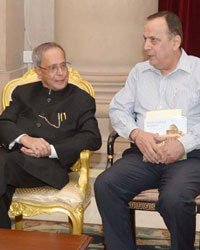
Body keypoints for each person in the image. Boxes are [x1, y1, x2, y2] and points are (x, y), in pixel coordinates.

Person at [94, 11, 200, 250]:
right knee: (105, 185)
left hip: (190, 157)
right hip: (144, 155)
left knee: (175, 199)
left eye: (154, 40)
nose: (146, 46)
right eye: (145, 39)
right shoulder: (139, 73)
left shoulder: (198, 72)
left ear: (175, 42)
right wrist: (136, 134)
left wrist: (184, 144)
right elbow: (118, 110)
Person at [0, 42, 102, 229]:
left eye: (64, 65)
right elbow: (3, 123)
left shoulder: (81, 99)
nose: (61, 73)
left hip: (47, 168)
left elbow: (92, 137)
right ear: (39, 71)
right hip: (11, 163)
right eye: (53, 68)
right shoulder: (23, 92)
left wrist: (50, 150)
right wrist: (25, 138)